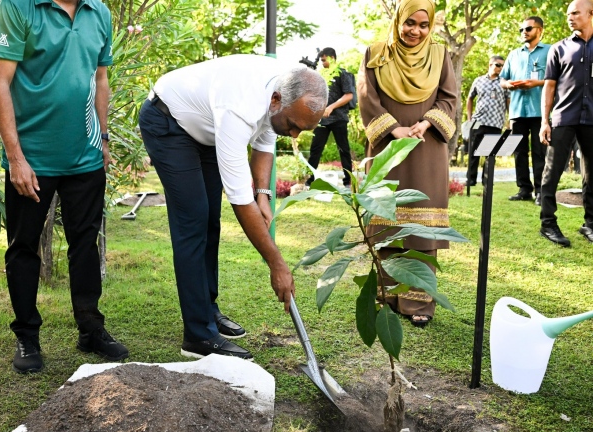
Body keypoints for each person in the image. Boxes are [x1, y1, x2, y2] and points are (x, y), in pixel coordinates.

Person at [138, 55, 327, 360]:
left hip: (206, 130)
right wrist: (277, 263)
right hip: (169, 122)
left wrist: (263, 195)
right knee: (193, 221)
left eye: (303, 130)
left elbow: (265, 140)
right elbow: (240, 199)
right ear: (277, 100)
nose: (295, 135)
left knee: (211, 219)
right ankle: (198, 336)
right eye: (293, 126)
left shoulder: (282, 88)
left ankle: (207, 309)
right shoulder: (240, 106)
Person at [0, 0, 128, 373]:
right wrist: (15, 158)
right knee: (23, 246)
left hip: (85, 154)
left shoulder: (98, 12)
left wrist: (104, 137)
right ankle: (27, 336)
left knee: (85, 242)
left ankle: (91, 329)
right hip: (32, 158)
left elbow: (100, 78)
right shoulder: (16, 8)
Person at [358, 0, 458, 327]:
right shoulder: (375, 54)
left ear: (430, 26)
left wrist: (427, 123)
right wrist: (392, 128)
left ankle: (420, 304)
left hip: (426, 150)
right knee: (387, 225)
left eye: (423, 24)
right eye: (409, 23)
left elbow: (449, 98)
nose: (416, 31)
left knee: (423, 230)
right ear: (399, 20)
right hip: (388, 149)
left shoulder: (440, 55)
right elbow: (366, 97)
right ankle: (387, 296)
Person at [538, 0, 593, 247]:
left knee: (591, 175)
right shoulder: (558, 49)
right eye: (568, 14)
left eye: (575, 13)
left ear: (591, 14)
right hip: (563, 118)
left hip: (591, 119)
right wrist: (544, 121)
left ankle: (590, 224)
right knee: (552, 173)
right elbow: (549, 87)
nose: (570, 18)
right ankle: (548, 223)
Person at [500, 16, 550, 205]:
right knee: (519, 152)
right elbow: (502, 79)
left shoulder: (550, 51)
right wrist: (509, 85)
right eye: (521, 29)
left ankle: (540, 191)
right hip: (517, 111)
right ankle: (524, 189)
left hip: (540, 111)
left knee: (539, 152)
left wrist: (536, 83)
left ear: (539, 30)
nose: (524, 32)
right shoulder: (514, 54)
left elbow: (557, 79)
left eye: (528, 28)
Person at [305, 47, 355, 187]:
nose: (322, 63)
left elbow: (349, 95)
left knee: (343, 150)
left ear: (332, 58)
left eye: (324, 60)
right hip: (323, 120)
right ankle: (310, 181)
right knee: (315, 150)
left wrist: (331, 107)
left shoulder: (343, 74)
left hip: (339, 118)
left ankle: (348, 182)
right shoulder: (322, 75)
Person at [465, 55, 510, 187]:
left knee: (490, 155)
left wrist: (509, 119)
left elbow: (508, 102)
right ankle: (471, 180)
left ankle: (487, 180)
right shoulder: (478, 80)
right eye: (498, 65)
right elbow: (470, 98)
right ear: (490, 65)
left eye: (502, 66)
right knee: (473, 153)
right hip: (478, 121)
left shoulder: (504, 82)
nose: (500, 68)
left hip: (496, 123)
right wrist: (469, 118)